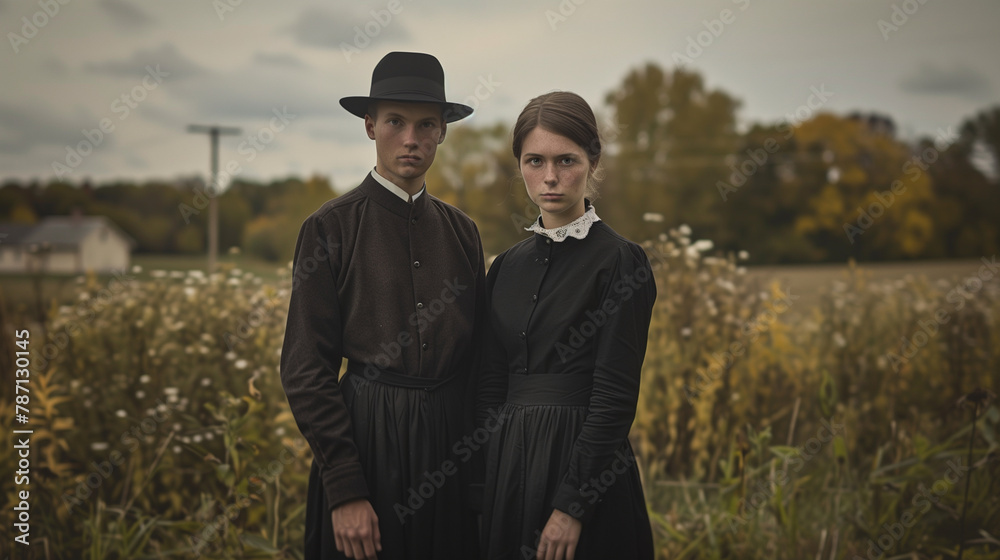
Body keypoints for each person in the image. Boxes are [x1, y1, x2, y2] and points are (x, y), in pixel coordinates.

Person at [280, 51, 485, 560]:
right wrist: (346, 488)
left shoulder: (464, 233)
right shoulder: (330, 228)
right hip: (366, 441)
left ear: (443, 132)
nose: (411, 139)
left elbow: (483, 360)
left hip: (451, 446)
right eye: (395, 121)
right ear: (370, 126)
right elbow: (306, 368)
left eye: (426, 125)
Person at [476, 91, 656, 560]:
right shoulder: (505, 268)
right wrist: (488, 479)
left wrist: (573, 505)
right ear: (519, 164)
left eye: (566, 160)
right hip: (510, 466)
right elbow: (492, 384)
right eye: (535, 160)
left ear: (593, 161)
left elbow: (615, 395)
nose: (550, 177)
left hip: (584, 468)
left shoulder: (620, 262)